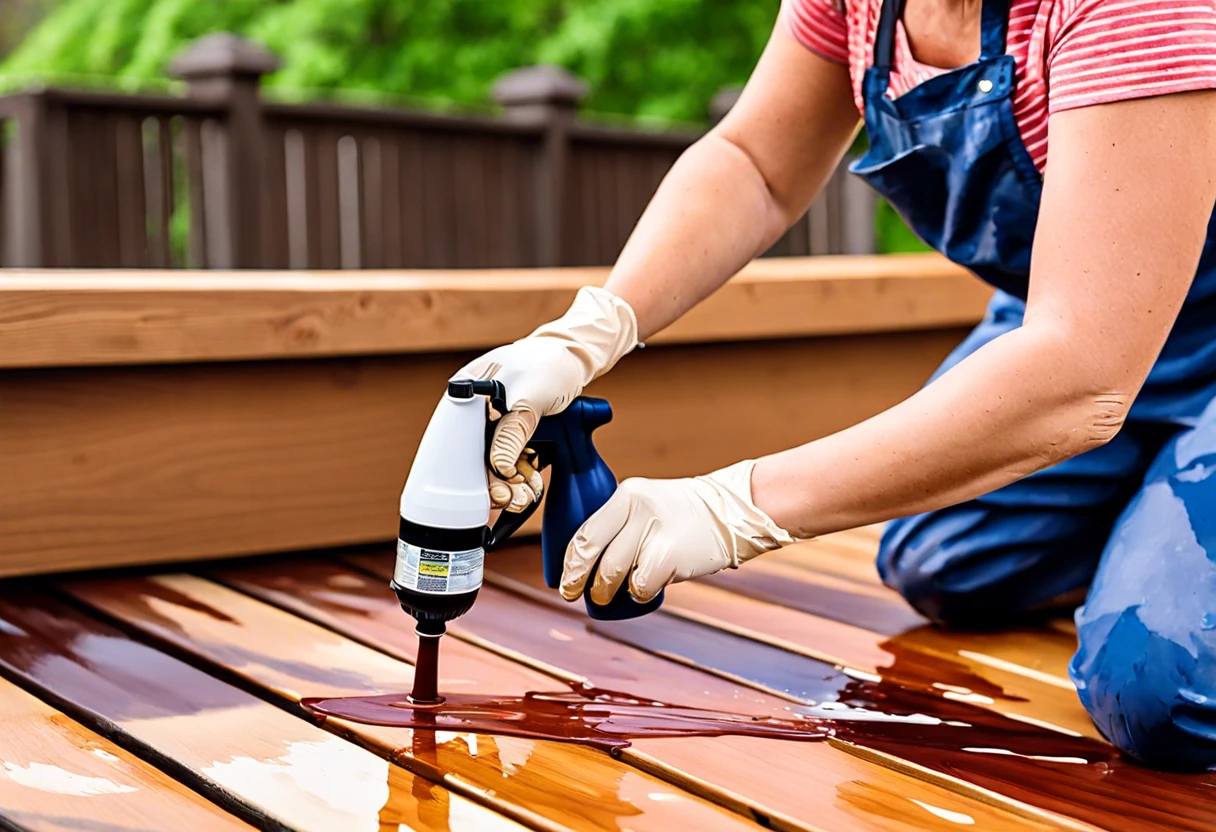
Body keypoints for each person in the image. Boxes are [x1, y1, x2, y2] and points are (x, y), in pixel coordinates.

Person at [455, 0, 1216, 771]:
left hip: (1105, 334)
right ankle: (1165, 497)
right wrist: (587, 333)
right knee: (945, 560)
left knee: (1162, 688)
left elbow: (1081, 369)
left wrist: (733, 507)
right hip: (1089, 320)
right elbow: (755, 161)